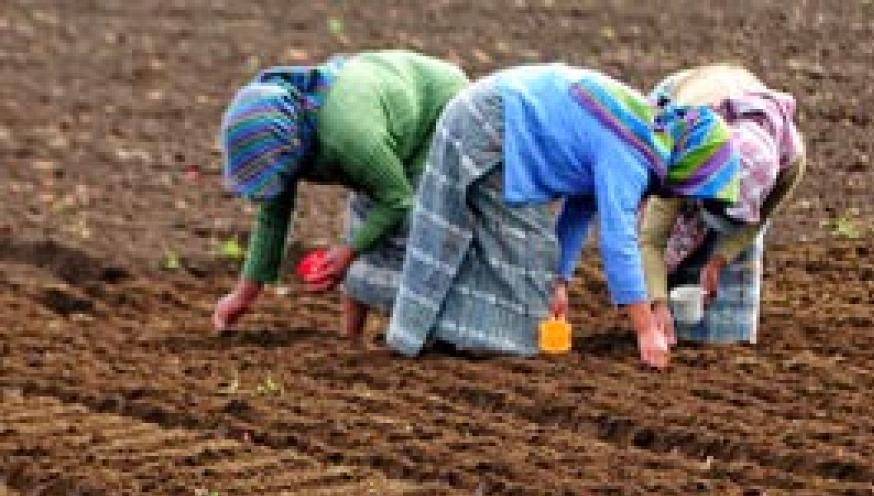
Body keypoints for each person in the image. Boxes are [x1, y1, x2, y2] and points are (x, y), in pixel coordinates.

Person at [385, 63, 740, 369]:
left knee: (519, 251)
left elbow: (579, 207)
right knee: (529, 251)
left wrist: (561, 280)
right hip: (491, 120)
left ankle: (446, 334)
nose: (684, 198)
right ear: (688, 165)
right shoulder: (631, 153)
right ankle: (482, 344)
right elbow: (619, 243)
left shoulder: (645, 132)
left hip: (488, 112)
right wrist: (646, 330)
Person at [213, 51, 468, 339]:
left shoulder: (346, 138)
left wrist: (348, 252)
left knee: (410, 233)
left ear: (293, 144)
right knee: (363, 221)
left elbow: (398, 200)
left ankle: (418, 335)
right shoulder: (287, 138)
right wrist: (242, 297)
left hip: (437, 107)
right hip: (380, 111)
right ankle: (350, 340)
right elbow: (272, 217)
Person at [639, 64, 805, 346]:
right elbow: (651, 240)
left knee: (730, 324)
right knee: (663, 248)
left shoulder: (788, 162)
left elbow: (758, 220)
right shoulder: (685, 146)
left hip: (735, 95)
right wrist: (657, 303)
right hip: (683, 99)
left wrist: (719, 259)